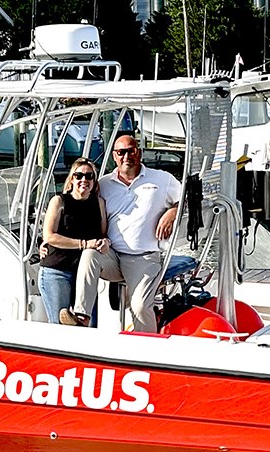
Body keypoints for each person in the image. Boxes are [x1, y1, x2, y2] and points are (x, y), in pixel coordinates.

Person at [60, 135, 182, 332]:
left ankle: (149, 353)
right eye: (121, 152)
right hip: (113, 255)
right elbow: (79, 209)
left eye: (131, 151)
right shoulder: (103, 184)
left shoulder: (163, 179)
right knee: (90, 253)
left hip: (144, 258)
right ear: (114, 157)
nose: (127, 156)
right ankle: (81, 316)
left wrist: (172, 212)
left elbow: (187, 200)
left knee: (140, 307)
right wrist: (49, 239)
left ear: (139, 153)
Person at [38, 158, 109, 324]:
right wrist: (84, 244)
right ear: (72, 179)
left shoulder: (99, 203)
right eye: (79, 176)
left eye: (89, 176)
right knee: (60, 326)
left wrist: (106, 242)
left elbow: (103, 234)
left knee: (90, 324)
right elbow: (49, 236)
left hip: (83, 275)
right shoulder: (59, 201)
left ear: (94, 180)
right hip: (57, 271)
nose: (84, 180)